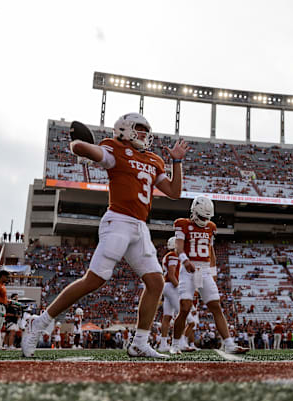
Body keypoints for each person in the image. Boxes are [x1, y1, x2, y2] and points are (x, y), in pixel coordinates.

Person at [22, 113, 187, 358]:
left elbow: (174, 191)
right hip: (118, 221)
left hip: (140, 227)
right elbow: (80, 147)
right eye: (140, 129)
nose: (145, 135)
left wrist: (176, 162)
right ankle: (41, 321)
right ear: (125, 130)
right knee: (95, 279)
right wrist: (82, 148)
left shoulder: (154, 160)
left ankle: (139, 342)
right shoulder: (115, 148)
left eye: (146, 131)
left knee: (156, 282)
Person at [169, 196, 248, 355]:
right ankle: (175, 344)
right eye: (202, 216)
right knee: (184, 308)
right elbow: (178, 247)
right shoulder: (182, 224)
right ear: (194, 212)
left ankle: (229, 344)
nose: (204, 220)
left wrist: (213, 272)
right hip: (188, 271)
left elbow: (211, 252)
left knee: (216, 307)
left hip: (204, 270)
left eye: (207, 217)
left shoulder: (211, 227)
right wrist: (185, 261)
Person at [158, 237, 180, 352]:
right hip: (171, 286)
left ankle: (163, 344)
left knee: (167, 317)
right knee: (183, 314)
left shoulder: (168, 255)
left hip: (166, 286)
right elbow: (171, 275)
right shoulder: (173, 255)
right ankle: (179, 343)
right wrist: (179, 287)